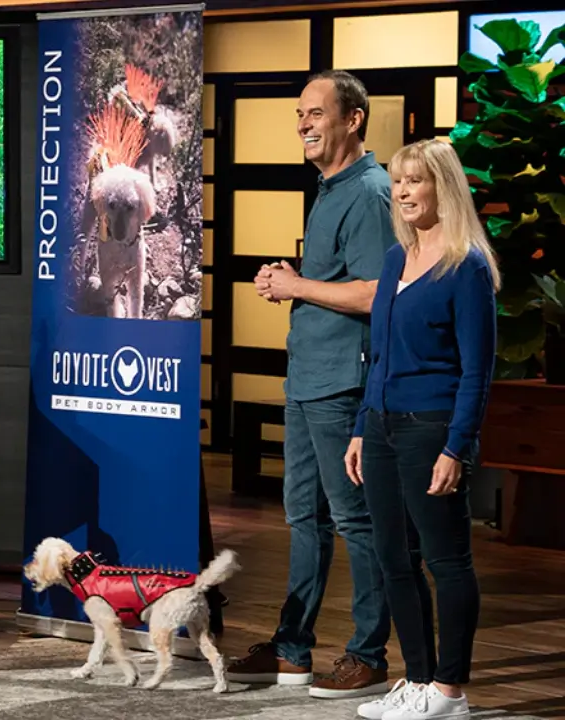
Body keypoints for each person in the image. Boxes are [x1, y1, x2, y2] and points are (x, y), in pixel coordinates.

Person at [226, 69, 395, 699]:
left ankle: (368, 654)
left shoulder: (372, 190)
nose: (302, 123)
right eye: (299, 113)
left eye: (315, 113)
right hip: (306, 379)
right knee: (304, 517)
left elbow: (379, 292)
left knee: (354, 521)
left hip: (340, 385)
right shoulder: (330, 187)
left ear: (352, 119)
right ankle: (292, 650)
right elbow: (338, 281)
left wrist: (297, 286)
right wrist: (294, 278)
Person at [345, 138, 496, 720]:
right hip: (381, 426)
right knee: (393, 558)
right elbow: (377, 356)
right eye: (399, 181)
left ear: (443, 188)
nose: (404, 191)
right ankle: (417, 680)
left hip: (432, 428)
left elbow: (477, 370)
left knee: (446, 559)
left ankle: (451, 692)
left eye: (416, 181)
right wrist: (361, 427)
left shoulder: (467, 267)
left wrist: (457, 446)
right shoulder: (393, 260)